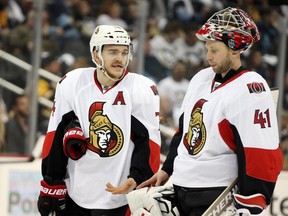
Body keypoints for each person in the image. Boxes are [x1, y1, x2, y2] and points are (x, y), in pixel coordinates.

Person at [137, 7, 283, 216]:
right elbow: (184, 131)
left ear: (235, 49)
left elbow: (260, 150)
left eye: (214, 50)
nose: (208, 56)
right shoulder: (200, 79)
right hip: (180, 189)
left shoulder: (251, 87)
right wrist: (167, 169)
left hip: (215, 194)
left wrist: (253, 201)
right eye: (207, 49)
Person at [37, 25, 161, 216]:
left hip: (120, 197)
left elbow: (149, 143)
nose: (120, 58)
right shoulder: (72, 83)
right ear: (96, 55)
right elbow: (55, 135)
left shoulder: (142, 88)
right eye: (113, 52)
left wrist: (137, 178)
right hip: (75, 193)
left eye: (124, 52)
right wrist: (51, 182)